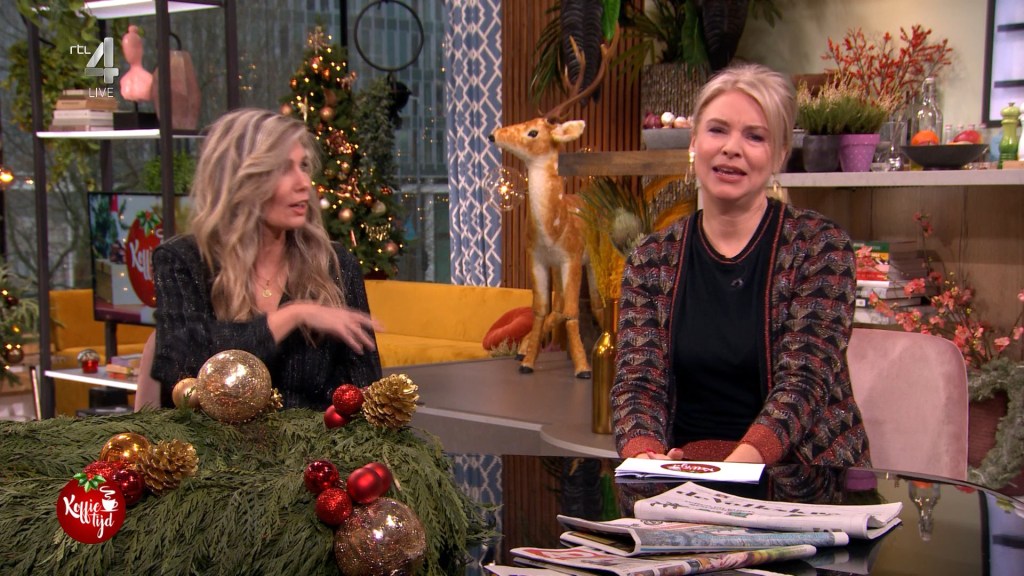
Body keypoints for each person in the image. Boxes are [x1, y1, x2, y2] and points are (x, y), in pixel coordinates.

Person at [611, 63, 869, 467]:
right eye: (717, 130)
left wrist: (736, 467)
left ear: (779, 154)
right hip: (683, 474)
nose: (732, 148)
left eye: (755, 136)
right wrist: (645, 457)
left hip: (801, 477)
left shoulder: (820, 247)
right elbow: (637, 383)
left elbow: (804, 381)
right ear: (694, 142)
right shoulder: (650, 259)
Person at [150, 108, 382, 409]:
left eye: (303, 166)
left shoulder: (334, 265)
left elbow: (365, 394)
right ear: (239, 179)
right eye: (283, 169)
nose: (303, 182)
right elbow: (182, 368)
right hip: (214, 440)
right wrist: (293, 315)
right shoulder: (184, 260)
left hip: (316, 439)